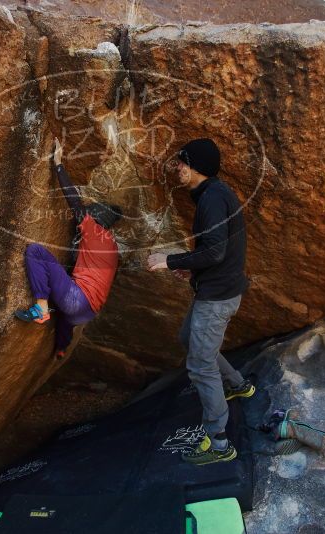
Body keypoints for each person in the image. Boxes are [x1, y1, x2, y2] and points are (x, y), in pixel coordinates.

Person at [147, 138, 254, 466]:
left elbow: (215, 251)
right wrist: (191, 270)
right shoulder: (215, 194)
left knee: (200, 364)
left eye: (182, 162)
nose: (177, 167)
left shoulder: (211, 199)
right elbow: (214, 251)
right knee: (189, 339)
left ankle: (219, 443)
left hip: (217, 298)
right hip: (218, 289)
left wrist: (170, 261)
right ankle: (237, 385)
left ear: (197, 168)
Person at [15, 138, 122, 358]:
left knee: (35, 252)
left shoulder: (93, 230)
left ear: (97, 218)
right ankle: (62, 347)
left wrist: (58, 164)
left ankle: (41, 308)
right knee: (67, 298)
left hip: (77, 300)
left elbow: (74, 202)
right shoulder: (112, 247)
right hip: (85, 313)